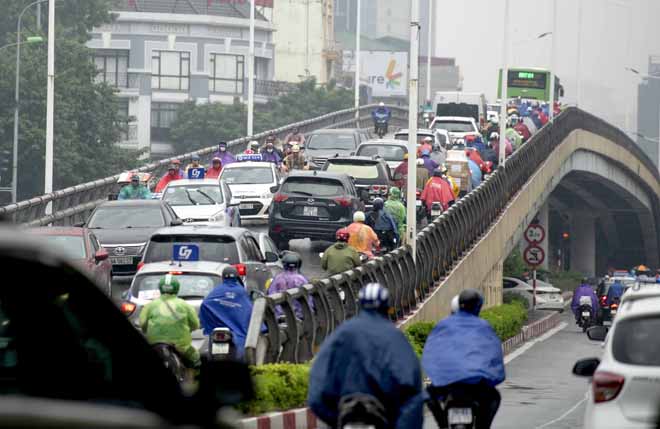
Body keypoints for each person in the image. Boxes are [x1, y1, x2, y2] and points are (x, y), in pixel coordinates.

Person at [308, 283, 423, 429]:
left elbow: (318, 383)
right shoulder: (394, 337)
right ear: (386, 307)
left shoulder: (342, 334)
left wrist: (334, 419)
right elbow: (411, 386)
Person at [422, 289, 504, 429]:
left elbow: (430, 352)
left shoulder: (443, 325)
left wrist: (436, 375)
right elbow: (494, 354)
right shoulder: (483, 326)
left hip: (447, 383)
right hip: (475, 384)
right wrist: (493, 375)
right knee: (494, 397)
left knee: (428, 395)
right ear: (478, 306)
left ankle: (442, 424)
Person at [139, 274, 201, 368]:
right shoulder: (185, 305)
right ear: (177, 288)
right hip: (181, 346)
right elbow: (196, 324)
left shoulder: (150, 305)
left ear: (160, 288)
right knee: (195, 360)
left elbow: (142, 324)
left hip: (155, 344)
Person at [199, 266, 253, 360]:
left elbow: (205, 304)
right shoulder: (241, 291)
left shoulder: (217, 290)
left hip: (218, 331)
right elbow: (248, 310)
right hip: (238, 333)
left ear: (223, 277)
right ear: (237, 277)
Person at [267, 253, 310, 319]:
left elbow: (271, 294)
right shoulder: (302, 279)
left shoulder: (278, 278)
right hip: (300, 316)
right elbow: (309, 299)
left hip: (281, 316)